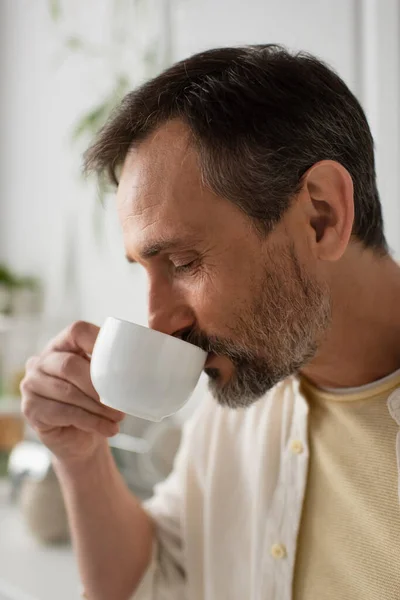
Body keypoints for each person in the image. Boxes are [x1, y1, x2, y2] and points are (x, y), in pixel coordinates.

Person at [20, 44, 400, 600]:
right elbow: (157, 578)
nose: (157, 319)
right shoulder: (248, 390)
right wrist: (81, 457)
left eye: (182, 262)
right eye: (143, 269)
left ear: (321, 217)